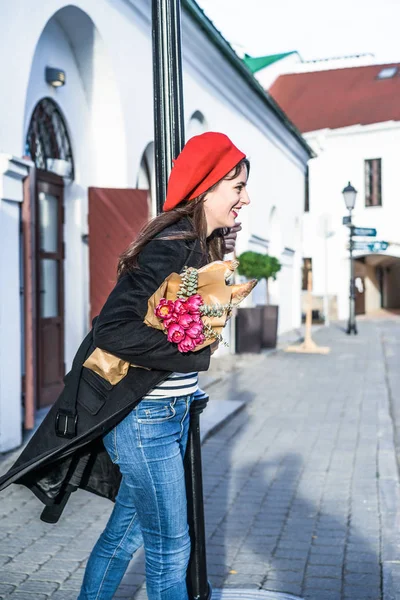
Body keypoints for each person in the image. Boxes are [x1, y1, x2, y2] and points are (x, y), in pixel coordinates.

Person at [0, 132, 250, 600]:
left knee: (126, 537)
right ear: (208, 187)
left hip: (167, 415)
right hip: (146, 423)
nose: (245, 198)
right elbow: (113, 328)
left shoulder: (199, 246)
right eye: (237, 187)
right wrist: (194, 353)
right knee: (171, 548)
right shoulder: (169, 246)